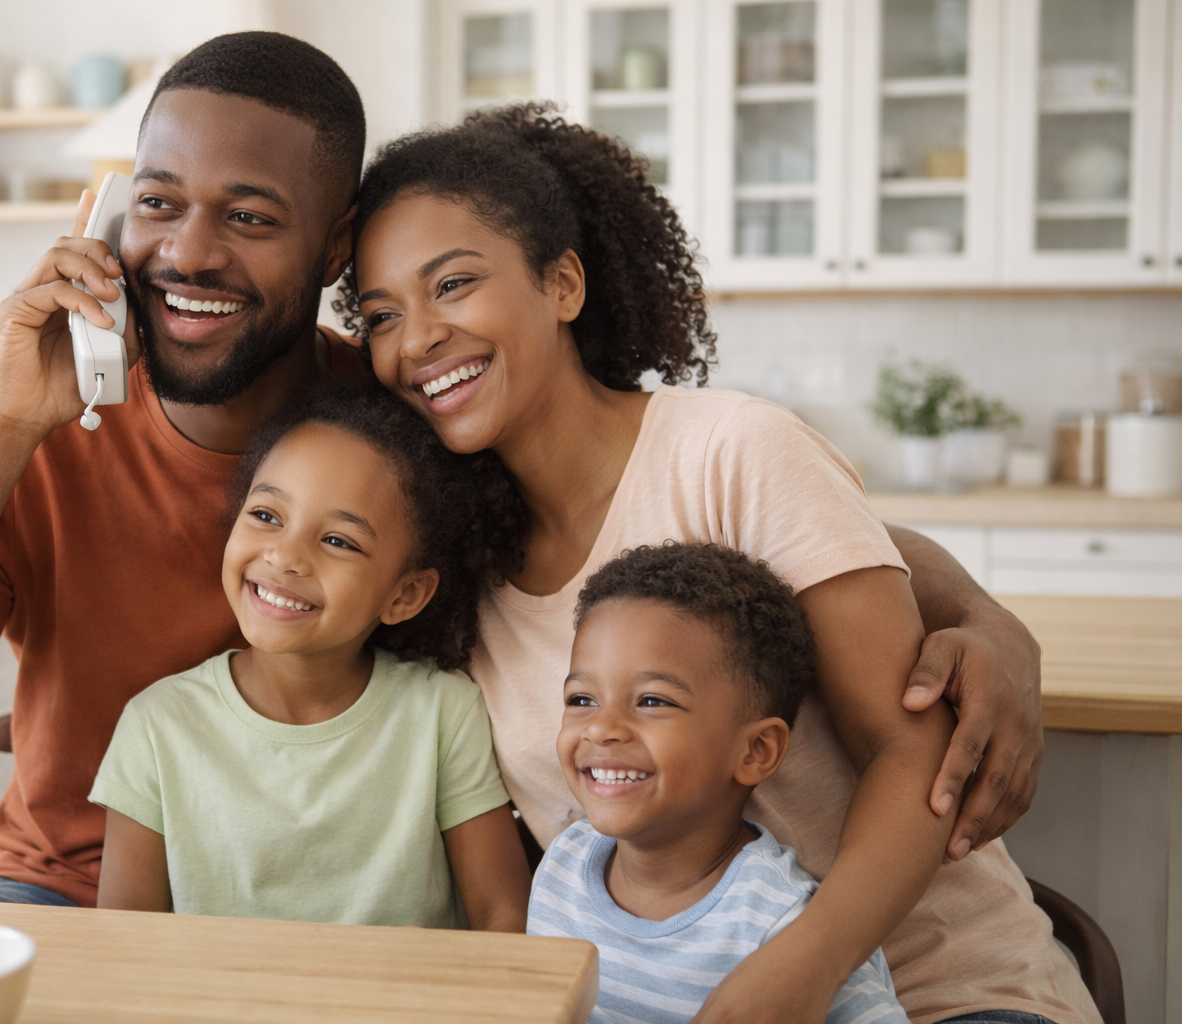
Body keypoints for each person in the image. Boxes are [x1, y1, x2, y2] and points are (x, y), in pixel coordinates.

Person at [0, 30, 1039, 922]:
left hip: (363, 906)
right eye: (157, 203)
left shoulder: (403, 421)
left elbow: (708, 510)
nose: (189, 251)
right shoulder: (22, 420)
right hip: (71, 882)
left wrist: (979, 614)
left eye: (252, 217)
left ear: (326, 249)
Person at [343, 104, 1094, 1024]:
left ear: (564, 283)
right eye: (381, 315)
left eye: (452, 284)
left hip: (943, 993)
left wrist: (798, 973)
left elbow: (911, 750)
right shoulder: (453, 580)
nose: (415, 338)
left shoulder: (732, 452)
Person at [91, 382, 530, 929]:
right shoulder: (156, 726)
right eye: (267, 516)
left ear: (405, 595)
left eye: (339, 541)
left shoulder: (444, 713)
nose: (285, 556)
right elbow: (124, 942)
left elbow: (503, 915)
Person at [528, 542, 909, 1024]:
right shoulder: (562, 866)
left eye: (651, 702)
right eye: (582, 699)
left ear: (756, 751)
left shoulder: (781, 922)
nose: (602, 728)